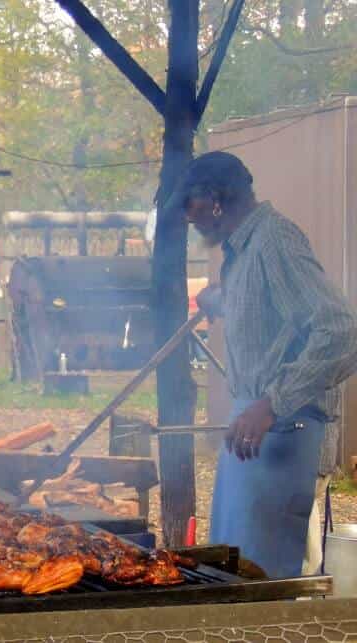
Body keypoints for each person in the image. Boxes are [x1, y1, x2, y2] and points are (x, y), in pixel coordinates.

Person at [180, 151, 357, 579]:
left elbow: (339, 330)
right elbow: (271, 306)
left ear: (216, 199)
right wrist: (220, 299)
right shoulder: (244, 249)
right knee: (232, 566)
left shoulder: (275, 240)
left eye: (191, 204)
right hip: (257, 430)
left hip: (284, 432)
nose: (188, 217)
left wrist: (272, 404)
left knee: (266, 579)